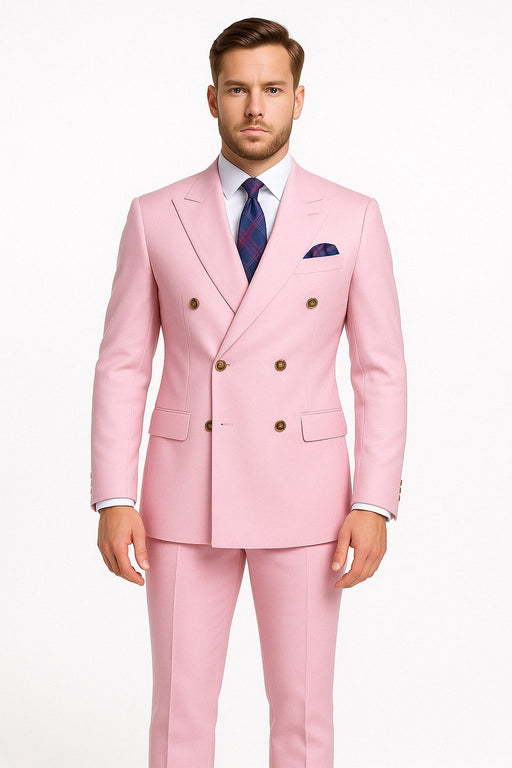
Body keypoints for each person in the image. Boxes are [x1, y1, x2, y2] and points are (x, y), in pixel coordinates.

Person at [90, 16, 407, 768]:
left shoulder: (353, 216)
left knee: (303, 715)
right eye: (237, 89)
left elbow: (381, 370)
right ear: (212, 98)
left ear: (299, 97)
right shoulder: (156, 214)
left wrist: (374, 502)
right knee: (179, 714)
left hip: (308, 497)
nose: (255, 107)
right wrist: (114, 496)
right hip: (180, 495)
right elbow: (123, 363)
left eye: (271, 89)